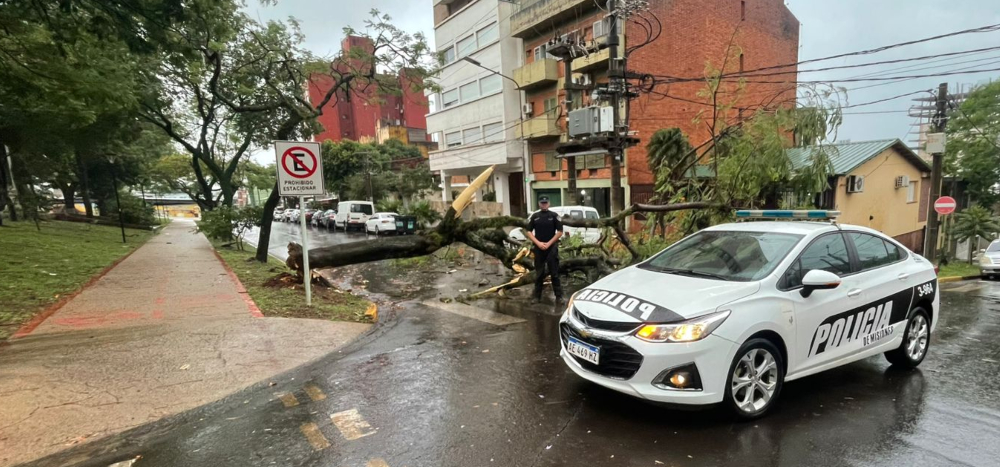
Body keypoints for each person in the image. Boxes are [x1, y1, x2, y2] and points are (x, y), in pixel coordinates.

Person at [525, 196, 564, 304]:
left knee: (554, 273)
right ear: (539, 204)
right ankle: (536, 297)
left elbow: (560, 231)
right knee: (539, 274)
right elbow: (528, 231)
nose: (544, 204)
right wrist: (538, 243)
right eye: (542, 203)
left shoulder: (554, 216)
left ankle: (559, 297)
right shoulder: (535, 216)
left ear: (549, 203)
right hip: (539, 247)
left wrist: (549, 243)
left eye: (546, 203)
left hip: (551, 247)